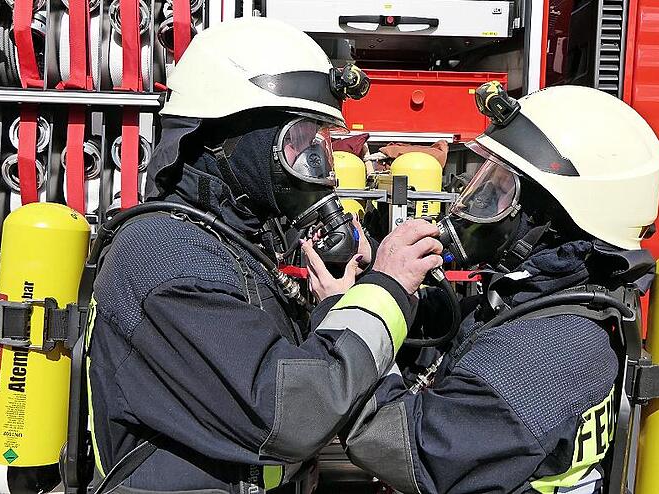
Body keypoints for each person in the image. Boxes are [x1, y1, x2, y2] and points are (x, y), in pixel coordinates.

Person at [87, 18, 443, 493]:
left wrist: (337, 303)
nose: (319, 165)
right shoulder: (166, 258)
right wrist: (386, 291)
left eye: (322, 142)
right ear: (229, 135)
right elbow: (293, 412)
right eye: (300, 140)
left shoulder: (234, 240)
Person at [342, 85, 659, 494]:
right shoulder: (552, 300)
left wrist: (357, 313)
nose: (476, 201)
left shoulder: (544, 354)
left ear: (554, 217)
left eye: (498, 190)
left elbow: (408, 451)